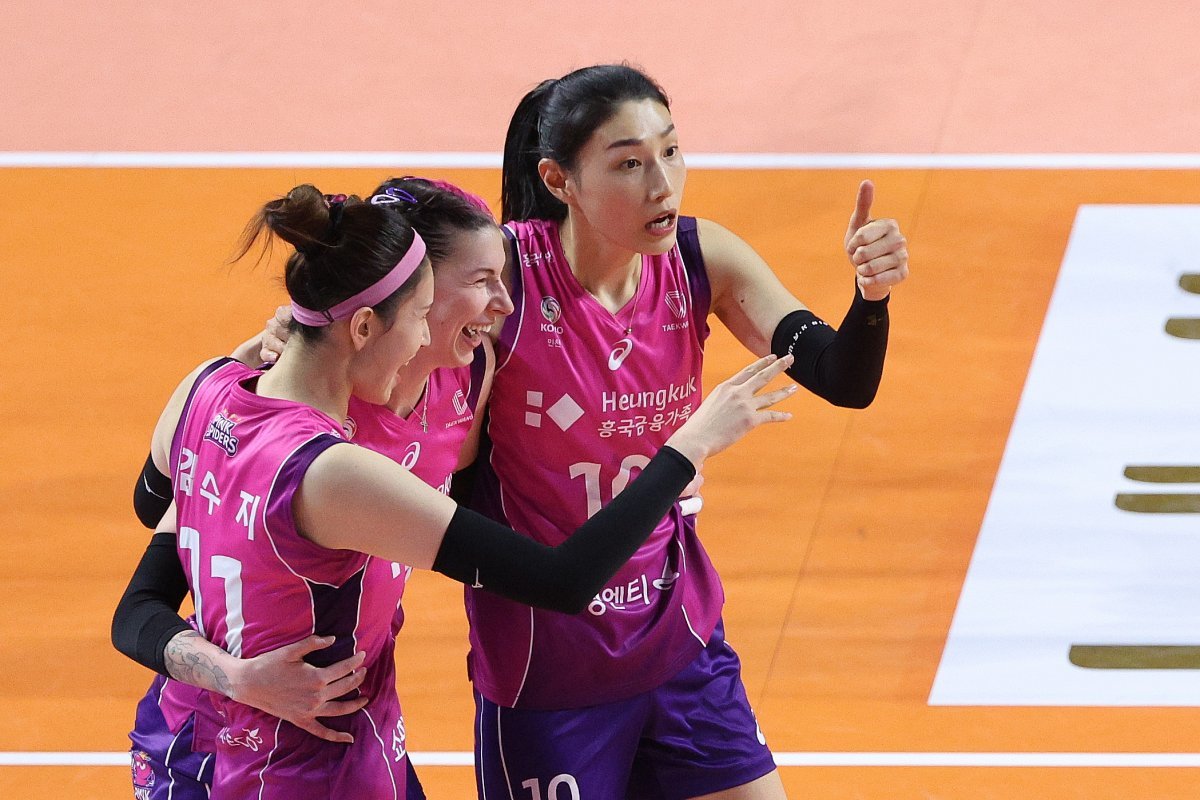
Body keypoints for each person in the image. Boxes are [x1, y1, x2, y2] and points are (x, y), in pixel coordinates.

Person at [112, 181, 796, 799]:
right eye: (417, 317)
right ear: (363, 326)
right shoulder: (339, 467)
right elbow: (561, 579)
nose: (418, 343)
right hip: (290, 763)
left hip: (250, 740)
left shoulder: (208, 389)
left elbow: (153, 540)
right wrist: (686, 448)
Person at [456, 63, 910, 800]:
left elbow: (843, 378)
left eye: (670, 151)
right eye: (629, 164)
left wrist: (871, 298)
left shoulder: (702, 259)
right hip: (551, 675)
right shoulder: (501, 288)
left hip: (681, 648)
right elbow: (451, 478)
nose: (662, 183)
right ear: (559, 179)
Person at [116, 177, 511, 800]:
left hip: (354, 722)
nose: (503, 305)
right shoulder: (298, 417)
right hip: (231, 739)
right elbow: (151, 550)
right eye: (481, 280)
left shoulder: (468, 377)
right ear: (405, 298)